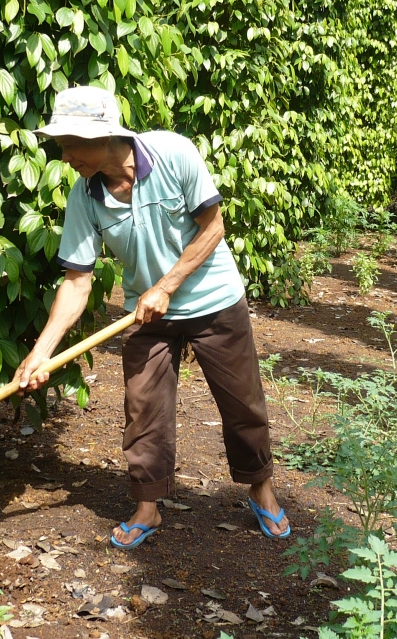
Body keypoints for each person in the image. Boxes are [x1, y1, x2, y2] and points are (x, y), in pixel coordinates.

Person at [15, 85, 290, 548]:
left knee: (243, 404)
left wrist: (166, 286)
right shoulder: (86, 196)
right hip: (146, 316)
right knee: (143, 409)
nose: (62, 156)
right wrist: (40, 354)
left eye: (67, 144)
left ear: (103, 137)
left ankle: (261, 486)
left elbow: (214, 227)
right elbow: (77, 282)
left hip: (214, 301)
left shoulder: (174, 154)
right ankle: (147, 505)